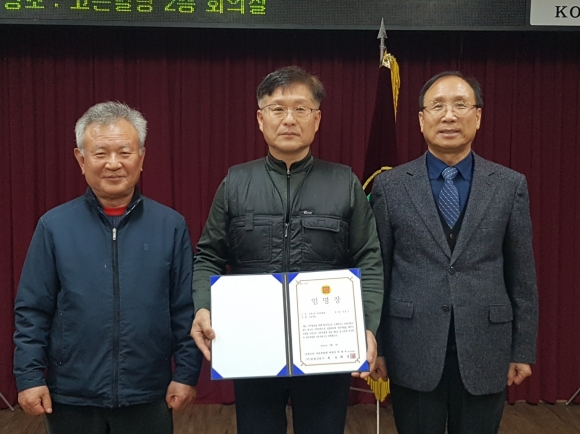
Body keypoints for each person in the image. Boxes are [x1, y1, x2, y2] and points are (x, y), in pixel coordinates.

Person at [190, 66, 384, 434]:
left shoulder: (344, 183)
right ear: (260, 119)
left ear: (317, 119)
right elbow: (209, 256)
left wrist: (367, 327)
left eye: (301, 109)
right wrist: (203, 306)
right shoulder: (235, 183)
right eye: (278, 109)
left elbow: (368, 260)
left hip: (326, 348)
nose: (289, 119)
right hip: (252, 348)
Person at [13, 101, 202, 434]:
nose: (113, 164)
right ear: (81, 159)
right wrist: (29, 377)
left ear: (141, 157)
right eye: (100, 153)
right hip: (71, 396)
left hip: (148, 393)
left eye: (124, 152)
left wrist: (186, 374)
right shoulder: (54, 226)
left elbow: (185, 308)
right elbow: (33, 309)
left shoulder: (170, 226)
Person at [370, 71, 539, 434]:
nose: (449, 115)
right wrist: (377, 345)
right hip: (411, 348)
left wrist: (522, 348)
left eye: (460, 105)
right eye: (438, 106)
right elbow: (378, 273)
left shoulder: (509, 185)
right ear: (421, 119)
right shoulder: (390, 186)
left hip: (486, 347)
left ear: (477, 116)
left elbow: (522, 275)